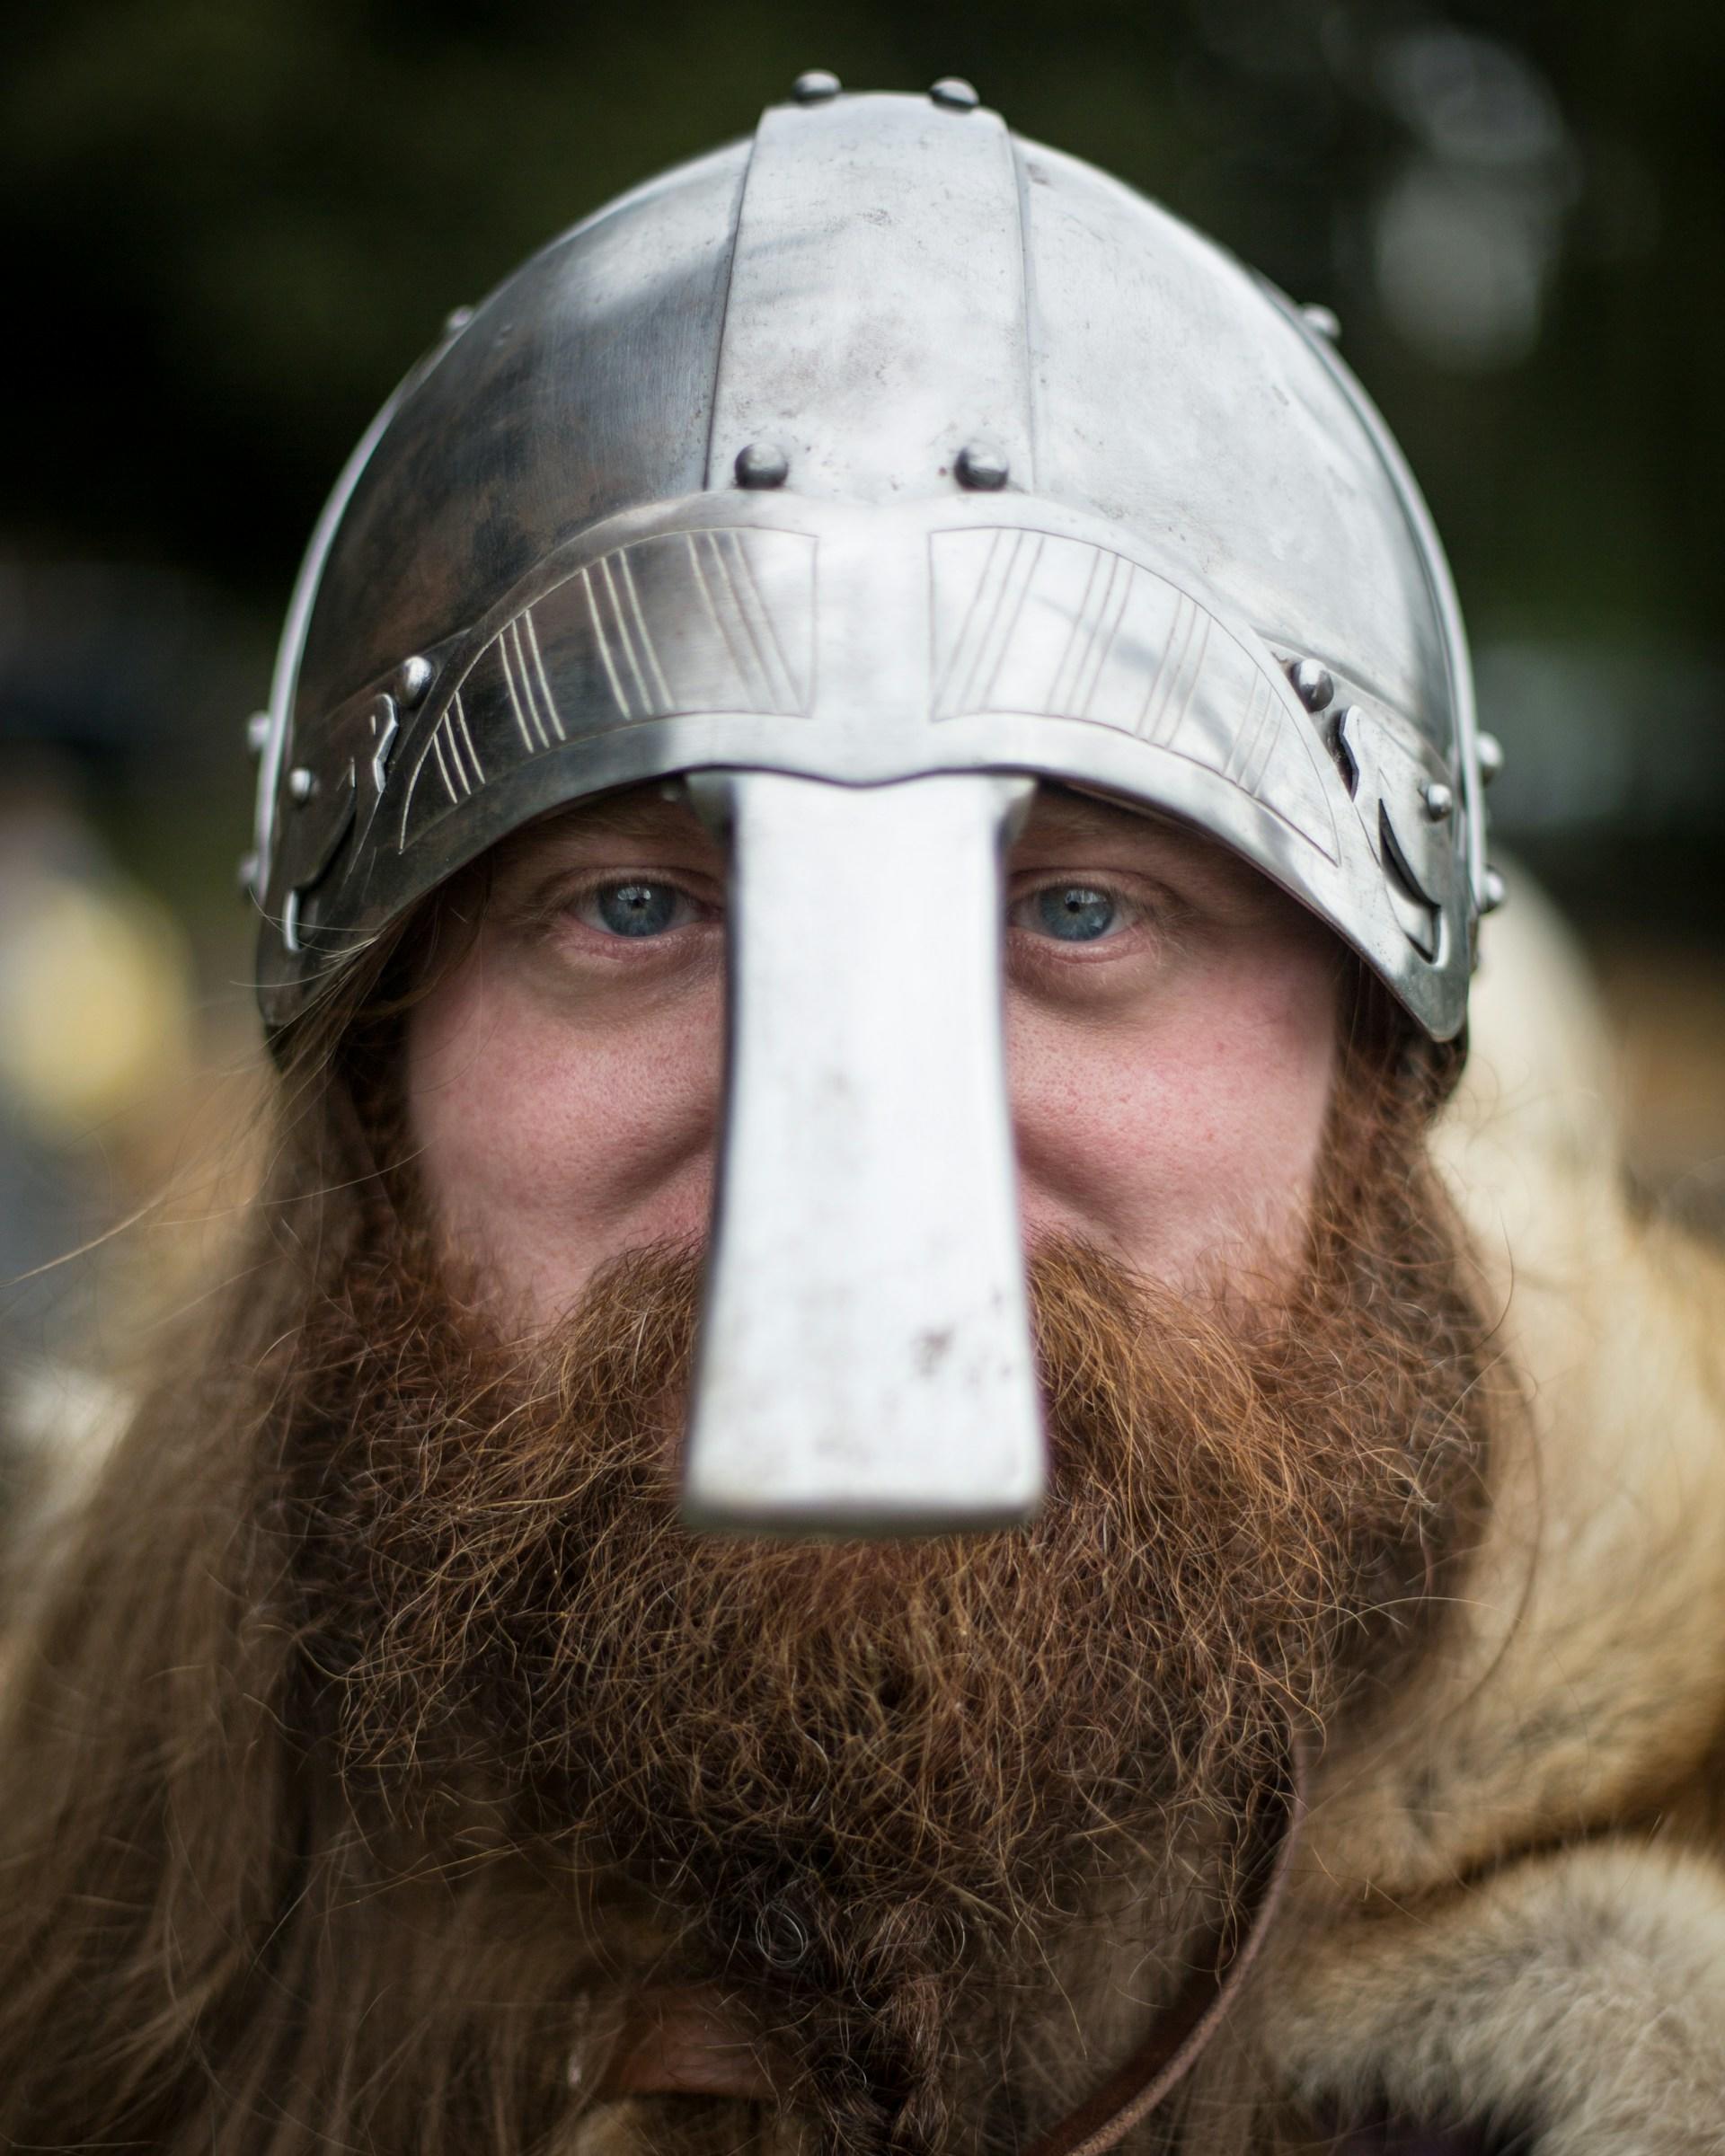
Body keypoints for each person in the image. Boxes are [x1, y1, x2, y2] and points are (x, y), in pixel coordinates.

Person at [1, 75, 1722, 2156]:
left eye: (1086, 911)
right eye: (628, 906)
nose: (853, 1164)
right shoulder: (47, 1825)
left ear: (1366, 1088)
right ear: (383, 1077)